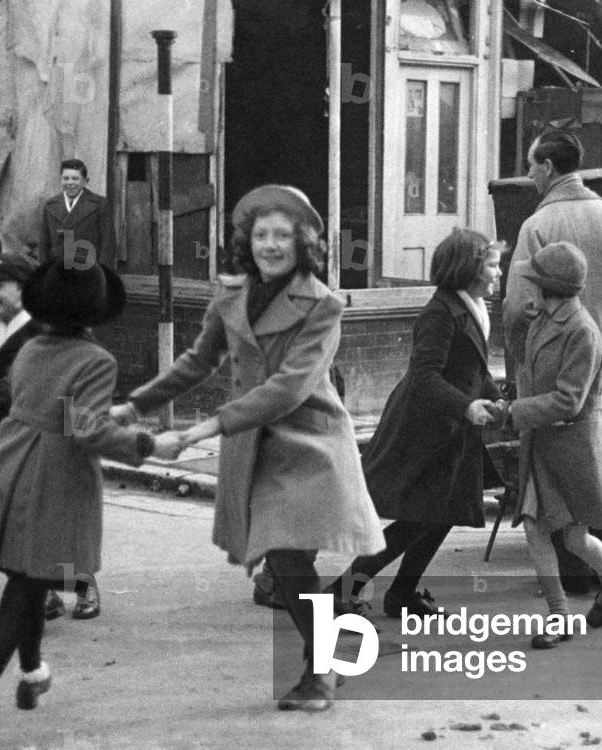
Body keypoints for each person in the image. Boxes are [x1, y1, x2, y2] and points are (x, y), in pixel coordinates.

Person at [111, 185, 385, 712]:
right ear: (247, 241)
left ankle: (322, 674)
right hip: (254, 448)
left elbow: (289, 387)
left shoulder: (324, 304)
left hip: (310, 445)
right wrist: (135, 406)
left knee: (288, 559)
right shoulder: (230, 293)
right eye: (261, 235)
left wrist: (202, 430)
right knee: (286, 567)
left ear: (304, 242)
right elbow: (197, 362)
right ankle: (324, 664)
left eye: (283, 235)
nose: (271, 245)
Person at [0, 259, 181, 750]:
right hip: (55, 480)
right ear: (97, 313)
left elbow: (47, 407)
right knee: (21, 593)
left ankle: (33, 671)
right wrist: (146, 444)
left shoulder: (32, 347)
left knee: (30, 581)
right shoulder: (97, 360)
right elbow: (86, 429)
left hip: (7, 463)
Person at [503, 130, 602, 590]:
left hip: (554, 365)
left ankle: (574, 579)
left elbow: (517, 308)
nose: (530, 173)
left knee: (560, 469)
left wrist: (521, 360)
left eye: (533, 165)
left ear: (549, 169)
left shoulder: (536, 228)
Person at [324, 229, 505, 617]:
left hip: (450, 427)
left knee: (443, 514)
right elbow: (425, 377)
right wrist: (468, 407)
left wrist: (493, 394)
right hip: (425, 428)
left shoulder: (471, 306)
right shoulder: (439, 314)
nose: (498, 273)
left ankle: (402, 593)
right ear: (469, 269)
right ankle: (343, 591)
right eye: (492, 265)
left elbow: (473, 367)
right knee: (417, 519)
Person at [505, 241, 602, 648]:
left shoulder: (583, 332)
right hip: (542, 443)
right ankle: (559, 615)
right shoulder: (544, 319)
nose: (531, 292)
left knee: (575, 539)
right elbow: (529, 371)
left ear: (548, 289)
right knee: (535, 527)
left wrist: (514, 412)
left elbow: (568, 399)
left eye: (535, 285)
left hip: (570, 448)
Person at [38, 158, 114, 269]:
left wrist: (102, 273)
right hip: (57, 269)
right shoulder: (50, 206)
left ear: (85, 181)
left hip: (87, 269)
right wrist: (44, 272)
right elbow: (43, 245)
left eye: (75, 179)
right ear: (60, 180)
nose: (70, 183)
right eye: (66, 178)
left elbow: (108, 244)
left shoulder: (99, 204)